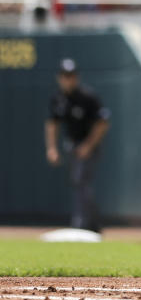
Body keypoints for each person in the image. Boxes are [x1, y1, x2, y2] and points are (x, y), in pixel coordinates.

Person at [45, 58, 110, 232]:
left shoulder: (87, 96)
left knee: (81, 180)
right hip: (72, 145)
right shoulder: (58, 98)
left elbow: (103, 123)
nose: (68, 79)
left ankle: (81, 222)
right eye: (65, 76)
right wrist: (52, 148)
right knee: (79, 182)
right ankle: (94, 224)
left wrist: (88, 145)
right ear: (59, 78)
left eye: (71, 76)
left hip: (88, 145)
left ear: (77, 77)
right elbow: (52, 123)